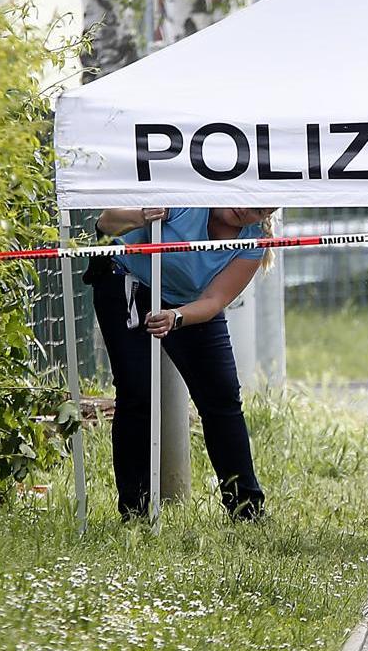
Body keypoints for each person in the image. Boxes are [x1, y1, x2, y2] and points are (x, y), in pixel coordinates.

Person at [86, 204, 277, 520]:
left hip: (188, 304)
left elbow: (214, 301)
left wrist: (176, 317)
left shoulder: (253, 242)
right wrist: (142, 216)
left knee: (221, 397)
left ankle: (247, 509)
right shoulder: (183, 200)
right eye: (248, 202)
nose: (248, 212)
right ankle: (136, 513)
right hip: (127, 278)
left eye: (260, 212)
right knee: (137, 393)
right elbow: (105, 221)